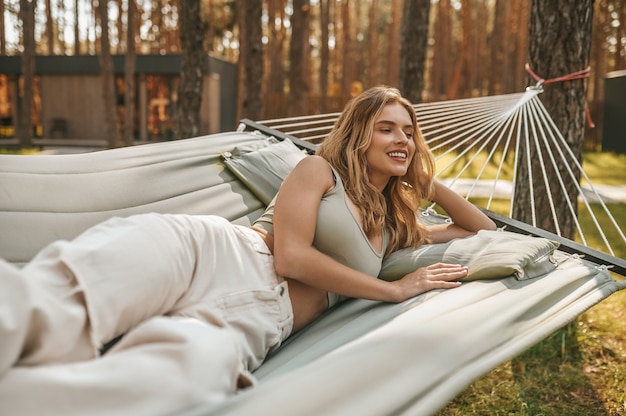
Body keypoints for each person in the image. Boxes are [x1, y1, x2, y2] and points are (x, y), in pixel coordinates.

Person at [0, 86, 496, 415]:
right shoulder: (317, 171)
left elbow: (476, 227)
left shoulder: (394, 226)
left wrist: (421, 178)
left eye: (409, 131)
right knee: (60, 296)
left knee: (180, 376)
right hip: (211, 252)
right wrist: (391, 290)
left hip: (264, 315)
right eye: (386, 128)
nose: (402, 138)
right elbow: (292, 258)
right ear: (358, 133)